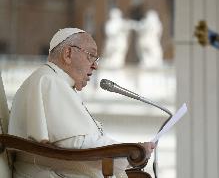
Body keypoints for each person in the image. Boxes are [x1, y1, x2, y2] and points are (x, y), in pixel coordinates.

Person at [8, 28, 156, 178]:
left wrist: (130, 150)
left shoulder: (56, 81)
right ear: (68, 54)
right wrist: (132, 151)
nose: (95, 66)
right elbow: (78, 145)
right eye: (90, 56)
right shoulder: (49, 81)